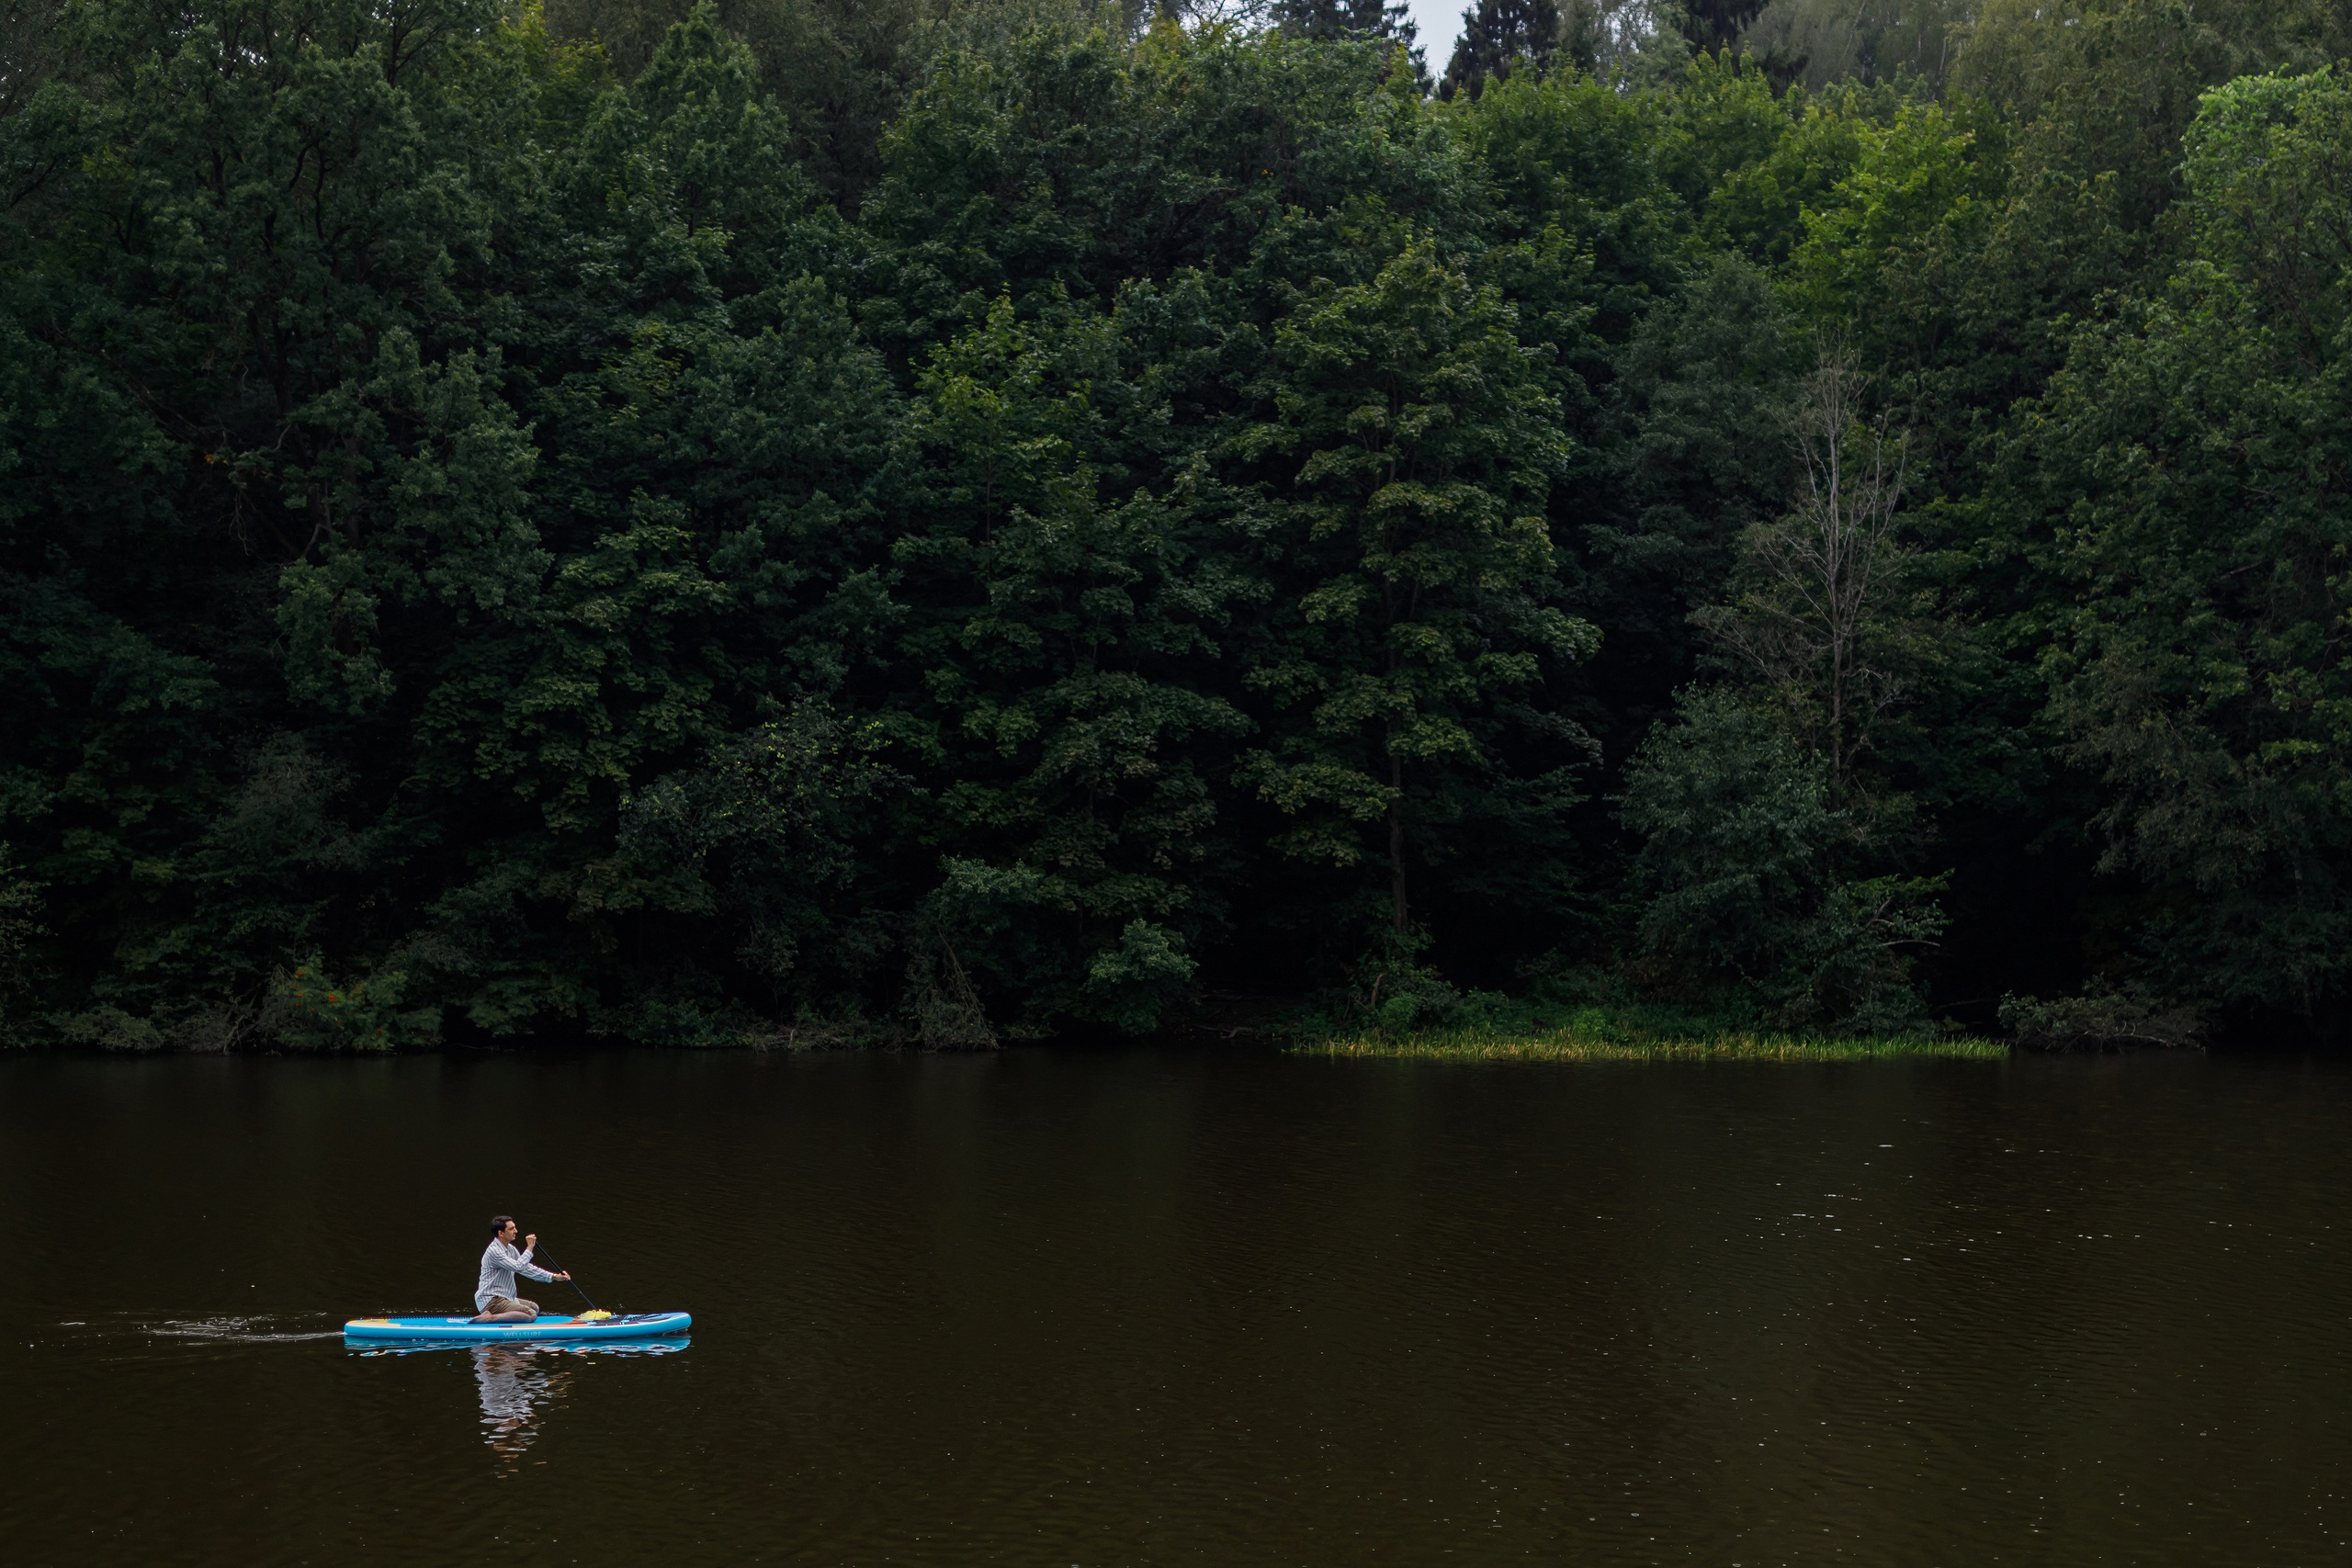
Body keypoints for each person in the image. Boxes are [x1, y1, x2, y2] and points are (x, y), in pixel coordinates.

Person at [472, 1214, 570, 1323]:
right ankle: (490, 1317)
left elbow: (525, 1268)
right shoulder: (494, 1251)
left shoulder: (511, 1249)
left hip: (505, 1298)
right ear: (501, 1233)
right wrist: (529, 1248)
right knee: (530, 1313)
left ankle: (498, 1315)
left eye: (514, 1227)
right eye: (511, 1228)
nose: (516, 1231)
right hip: (491, 1300)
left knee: (534, 1308)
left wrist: (554, 1276)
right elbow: (518, 1267)